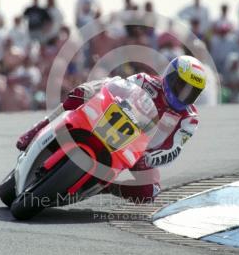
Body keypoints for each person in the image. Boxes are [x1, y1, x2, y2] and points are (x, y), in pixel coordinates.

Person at [16, 55, 206, 203]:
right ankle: (37, 129)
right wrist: (101, 95)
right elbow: (115, 87)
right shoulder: (144, 80)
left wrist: (150, 157)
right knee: (83, 92)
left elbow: (173, 149)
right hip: (112, 119)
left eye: (191, 92)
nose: (184, 94)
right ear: (170, 76)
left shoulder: (189, 119)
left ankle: (104, 187)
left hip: (140, 151)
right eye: (181, 86)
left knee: (149, 192)